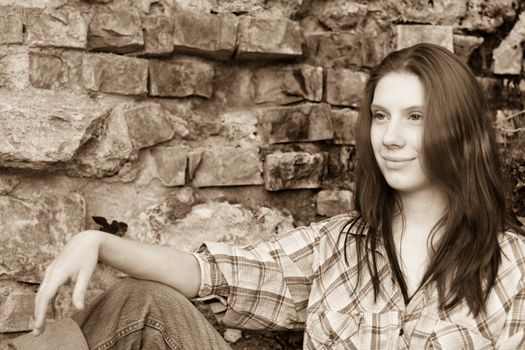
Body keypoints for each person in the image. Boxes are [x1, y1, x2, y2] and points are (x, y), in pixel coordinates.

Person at [9, 43, 525, 350]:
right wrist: (97, 242)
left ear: (459, 130)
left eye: (415, 117)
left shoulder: (511, 268)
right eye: (381, 116)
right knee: (142, 304)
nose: (390, 137)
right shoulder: (338, 246)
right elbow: (213, 274)